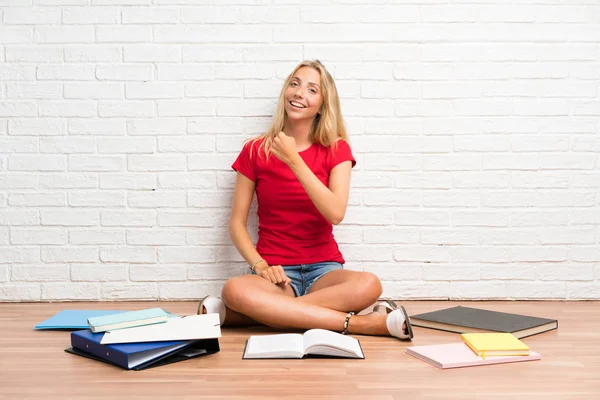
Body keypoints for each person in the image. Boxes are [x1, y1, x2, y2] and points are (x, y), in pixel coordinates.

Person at [198, 60, 413, 340]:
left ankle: (254, 315)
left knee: (370, 285)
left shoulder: (337, 149)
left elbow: (335, 213)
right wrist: (259, 265)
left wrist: (293, 160)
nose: (300, 93)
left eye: (312, 90)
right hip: (275, 273)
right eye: (295, 84)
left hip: (325, 271)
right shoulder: (255, 150)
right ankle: (365, 325)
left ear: (323, 105)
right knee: (234, 290)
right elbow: (236, 223)